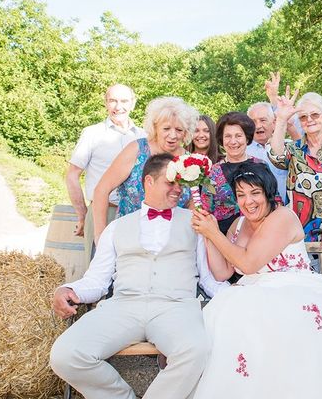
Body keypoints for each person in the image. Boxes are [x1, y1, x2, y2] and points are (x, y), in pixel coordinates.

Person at [190, 162, 322, 399]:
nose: (248, 201)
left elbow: (249, 264)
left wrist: (214, 233)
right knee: (226, 325)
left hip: (293, 289)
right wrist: (206, 235)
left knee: (279, 326)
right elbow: (222, 273)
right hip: (250, 290)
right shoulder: (239, 225)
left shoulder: (283, 217)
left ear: (268, 193)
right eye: (241, 195)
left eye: (255, 193)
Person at [49, 153, 228, 399]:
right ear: (148, 183)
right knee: (66, 355)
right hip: (124, 306)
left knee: (196, 351)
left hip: (175, 308)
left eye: (180, 183)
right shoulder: (116, 227)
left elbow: (209, 279)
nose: (178, 189)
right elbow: (97, 280)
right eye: (170, 182)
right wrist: (69, 289)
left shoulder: (196, 223)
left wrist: (239, 296)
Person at [268, 90, 322, 289]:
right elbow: (275, 155)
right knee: (304, 289)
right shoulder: (294, 149)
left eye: (314, 115)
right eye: (303, 117)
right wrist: (282, 119)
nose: (309, 120)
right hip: (299, 233)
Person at [92, 96, 198, 241]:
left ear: (186, 132)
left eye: (179, 130)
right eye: (166, 128)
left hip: (171, 240)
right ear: (155, 127)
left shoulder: (190, 161)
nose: (172, 135)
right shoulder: (136, 150)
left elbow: (192, 203)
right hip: (130, 236)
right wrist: (100, 235)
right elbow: (101, 189)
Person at [66, 84, 145, 267]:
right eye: (113, 101)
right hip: (104, 212)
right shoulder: (92, 133)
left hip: (136, 214)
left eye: (124, 101)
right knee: (99, 269)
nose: (119, 107)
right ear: (106, 103)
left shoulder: (144, 136)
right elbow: (72, 176)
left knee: (132, 270)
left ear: (133, 103)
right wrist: (82, 214)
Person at [203, 111, 270, 235]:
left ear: (247, 138)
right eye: (228, 136)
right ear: (221, 140)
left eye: (238, 136)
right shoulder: (213, 173)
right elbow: (206, 208)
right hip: (223, 238)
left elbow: (273, 201)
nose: (233, 141)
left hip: (259, 234)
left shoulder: (260, 166)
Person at [246, 101, 288, 201]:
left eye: (263, 120)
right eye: (253, 122)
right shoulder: (243, 150)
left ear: (274, 123)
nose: (258, 126)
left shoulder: (288, 146)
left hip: (288, 210)